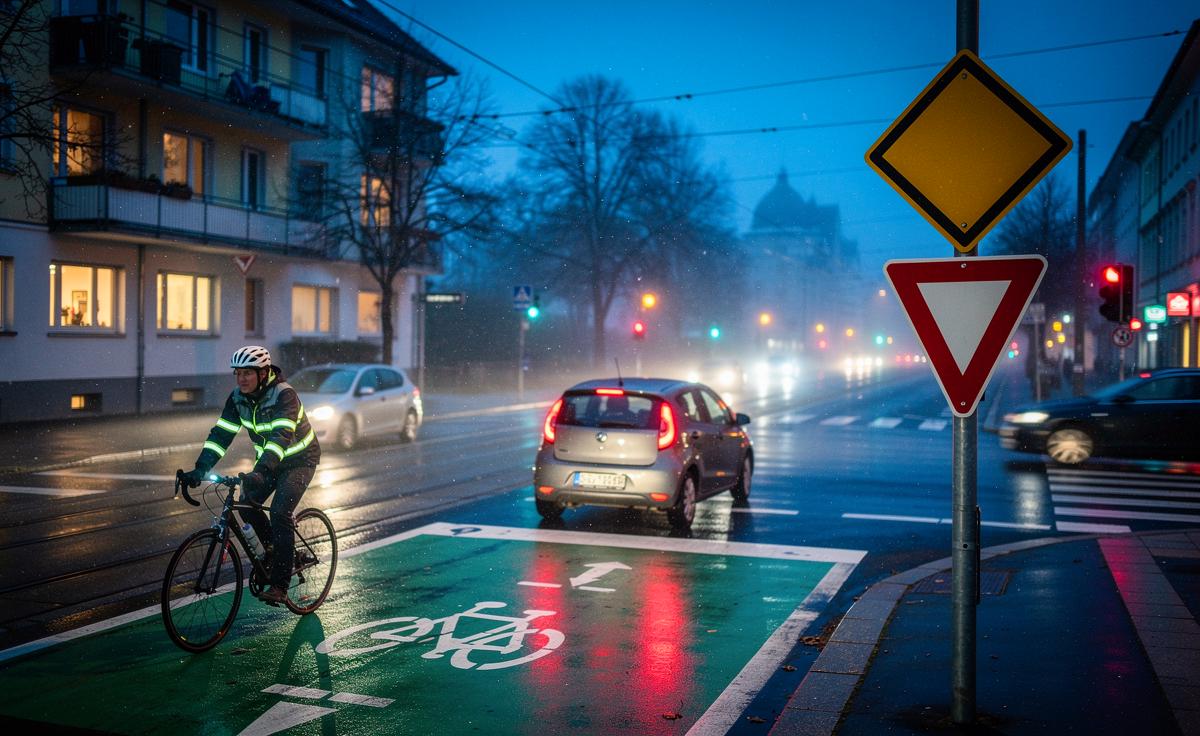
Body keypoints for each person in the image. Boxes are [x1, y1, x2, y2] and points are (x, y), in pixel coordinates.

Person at [179, 346, 321, 606]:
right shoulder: (237, 398)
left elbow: (281, 437)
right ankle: (272, 550)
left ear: (263, 373)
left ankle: (280, 584)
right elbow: (221, 435)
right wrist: (200, 469)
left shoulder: (284, 395)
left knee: (279, 512)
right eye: (238, 373)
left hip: (300, 460)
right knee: (246, 504)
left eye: (248, 373)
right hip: (268, 463)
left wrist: (262, 471)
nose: (241, 379)